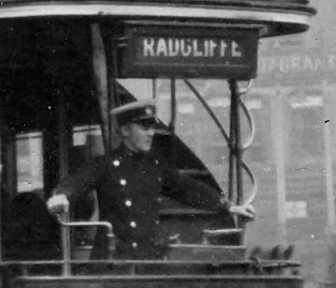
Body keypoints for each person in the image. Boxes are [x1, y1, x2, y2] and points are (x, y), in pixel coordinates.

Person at [46, 100, 255, 259]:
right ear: (125, 130)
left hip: (149, 259)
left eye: (152, 127)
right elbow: (78, 181)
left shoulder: (156, 166)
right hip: (113, 262)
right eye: (144, 127)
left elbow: (188, 188)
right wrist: (60, 196)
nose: (151, 133)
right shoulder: (106, 164)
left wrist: (227, 206)